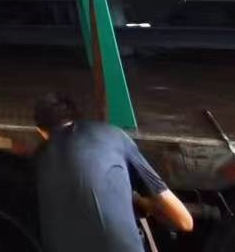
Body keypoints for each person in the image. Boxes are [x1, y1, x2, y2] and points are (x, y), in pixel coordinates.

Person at [33, 92, 194, 252]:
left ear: (41, 131)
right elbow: (185, 221)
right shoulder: (113, 135)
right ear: (78, 117)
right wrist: (146, 204)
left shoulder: (38, 159)